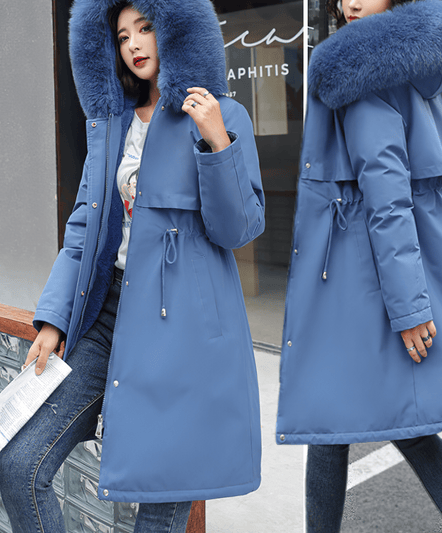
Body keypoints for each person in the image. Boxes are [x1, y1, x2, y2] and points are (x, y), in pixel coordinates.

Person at [0, 0, 265, 531]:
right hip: (106, 316)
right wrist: (53, 318)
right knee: (19, 464)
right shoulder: (113, 124)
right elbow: (85, 225)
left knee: (160, 507)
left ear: (176, 29)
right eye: (122, 36)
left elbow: (239, 228)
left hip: (181, 330)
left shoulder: (222, 113)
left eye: (145, 28)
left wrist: (217, 140)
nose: (135, 45)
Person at [276, 0, 442, 531]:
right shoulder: (407, 64)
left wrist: (409, 309)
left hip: (357, 277)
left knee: (355, 422)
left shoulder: (361, 68)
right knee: (356, 424)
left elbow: (387, 198)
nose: (351, 3)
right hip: (364, 271)